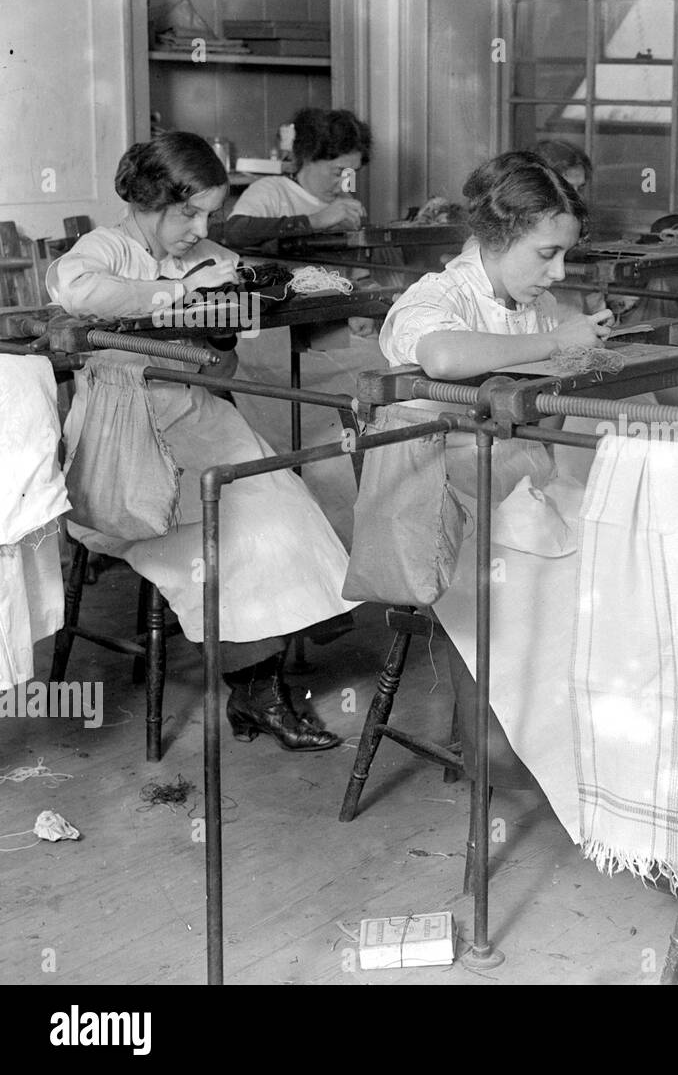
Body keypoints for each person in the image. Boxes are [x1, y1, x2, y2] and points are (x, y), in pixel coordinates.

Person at [46, 132, 356, 751]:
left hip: (198, 418)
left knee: (284, 503)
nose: (200, 226)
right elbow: (76, 290)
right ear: (145, 199)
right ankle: (258, 690)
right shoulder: (104, 248)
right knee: (231, 538)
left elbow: (221, 365)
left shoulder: (206, 253)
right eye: (188, 211)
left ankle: (256, 687)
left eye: (209, 211)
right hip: (124, 437)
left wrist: (231, 320)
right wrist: (181, 298)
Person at [378, 149, 612, 785]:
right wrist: (559, 343)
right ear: (494, 236)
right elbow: (446, 356)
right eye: (546, 255)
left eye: (565, 255)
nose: (559, 272)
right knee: (546, 588)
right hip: (441, 506)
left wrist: (573, 354)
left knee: (615, 564)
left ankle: (578, 751)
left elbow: (537, 415)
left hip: (514, 485)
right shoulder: (437, 297)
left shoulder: (526, 304)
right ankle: (524, 752)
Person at [220, 107, 370, 249]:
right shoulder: (272, 191)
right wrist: (315, 221)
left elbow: (359, 273)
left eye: (351, 174)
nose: (347, 184)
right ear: (308, 157)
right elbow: (234, 231)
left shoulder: (344, 201)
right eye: (339, 172)